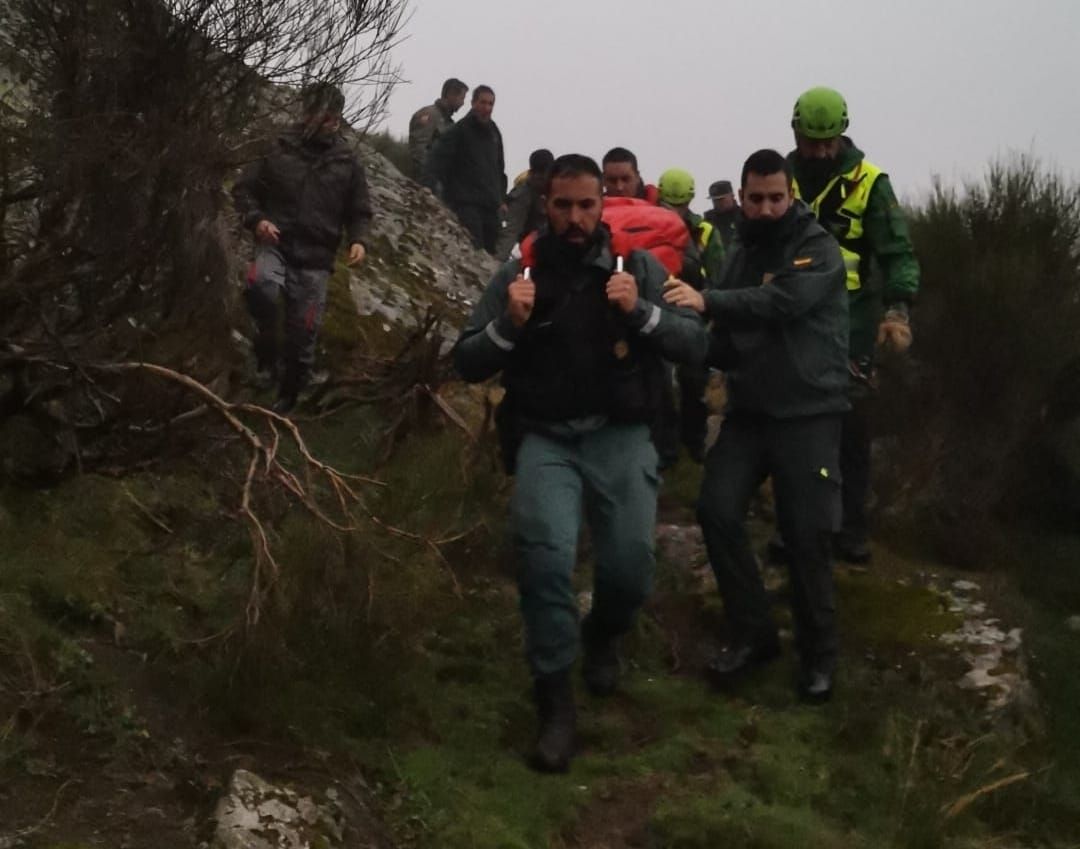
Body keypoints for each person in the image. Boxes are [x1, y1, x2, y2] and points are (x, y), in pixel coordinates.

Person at [453, 154, 707, 772]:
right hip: (546, 438)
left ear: (603, 206)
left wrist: (639, 312)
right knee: (544, 561)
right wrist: (509, 326)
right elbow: (463, 360)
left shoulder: (638, 267)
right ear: (547, 205)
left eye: (585, 206)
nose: (573, 218)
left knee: (628, 570)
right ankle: (555, 702)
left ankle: (603, 636)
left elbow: (695, 342)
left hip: (621, 434)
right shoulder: (519, 271)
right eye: (562, 206)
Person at [663, 149, 849, 703]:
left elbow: (781, 302)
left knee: (805, 536)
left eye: (775, 197)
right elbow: (723, 331)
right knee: (716, 510)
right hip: (748, 412)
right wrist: (674, 330)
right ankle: (754, 634)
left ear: (791, 196)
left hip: (808, 412)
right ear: (741, 199)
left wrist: (707, 300)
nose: (765, 208)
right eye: (755, 198)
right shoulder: (741, 249)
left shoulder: (816, 246)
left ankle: (820, 659)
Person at [788, 86, 920, 563]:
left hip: (852, 326)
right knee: (794, 432)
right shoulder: (780, 178)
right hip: (791, 322)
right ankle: (798, 528)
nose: (820, 151)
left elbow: (898, 253)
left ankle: (851, 530)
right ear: (796, 133)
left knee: (851, 432)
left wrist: (897, 311)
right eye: (811, 141)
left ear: (843, 133)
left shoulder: (871, 182)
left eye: (829, 141)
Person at [233, 82, 372, 414]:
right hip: (275, 245)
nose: (332, 119)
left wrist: (358, 239)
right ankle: (265, 358)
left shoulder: (348, 161)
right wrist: (257, 220)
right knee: (260, 286)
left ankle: (288, 398)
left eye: (336, 111)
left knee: (304, 333)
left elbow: (359, 210)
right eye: (325, 112)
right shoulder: (276, 147)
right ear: (307, 112)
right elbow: (244, 190)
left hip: (316, 260)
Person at [656, 167, 726, 463]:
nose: (674, 211)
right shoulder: (651, 225)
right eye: (669, 205)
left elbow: (719, 274)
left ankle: (693, 444)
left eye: (679, 205)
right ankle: (665, 448)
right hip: (658, 311)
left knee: (692, 379)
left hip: (694, 311)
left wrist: (712, 309)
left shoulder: (705, 232)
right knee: (658, 382)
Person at [425, 84, 506, 255]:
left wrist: (501, 199)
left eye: (491, 104)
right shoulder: (458, 130)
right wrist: (432, 191)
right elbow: (436, 162)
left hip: (491, 207)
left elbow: (499, 168)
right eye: (483, 103)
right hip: (466, 205)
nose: (487, 108)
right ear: (473, 103)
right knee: (473, 252)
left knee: (491, 256)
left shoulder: (494, 132)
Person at [496, 148, 554, 259]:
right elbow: (511, 230)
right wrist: (497, 262)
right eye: (539, 175)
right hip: (533, 248)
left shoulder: (559, 189)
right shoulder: (523, 195)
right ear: (533, 173)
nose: (543, 180)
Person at [408, 77, 468, 180]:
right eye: (462, 98)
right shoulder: (429, 115)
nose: (463, 103)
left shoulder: (449, 123)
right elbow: (418, 151)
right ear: (451, 95)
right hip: (425, 183)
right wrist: (430, 179)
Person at [703, 180, 739, 250]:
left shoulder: (744, 217)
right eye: (714, 200)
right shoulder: (708, 221)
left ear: (732, 196)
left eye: (721, 199)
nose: (718, 203)